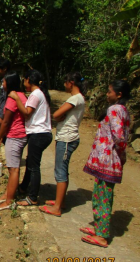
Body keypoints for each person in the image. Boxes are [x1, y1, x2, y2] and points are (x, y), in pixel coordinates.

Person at [80, 80, 130, 248]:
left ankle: (102, 235)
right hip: (109, 160)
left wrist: (117, 153)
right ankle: (99, 227)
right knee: (100, 194)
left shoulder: (114, 109)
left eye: (110, 92)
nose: (107, 94)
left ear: (119, 94)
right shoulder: (123, 110)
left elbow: (119, 137)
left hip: (107, 160)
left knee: (102, 196)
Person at [39, 72, 86, 217]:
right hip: (66, 137)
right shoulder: (78, 99)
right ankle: (61, 201)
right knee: (62, 169)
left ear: (71, 82)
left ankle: (57, 207)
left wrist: (58, 116)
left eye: (65, 82)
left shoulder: (75, 98)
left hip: (67, 138)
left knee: (60, 171)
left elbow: (56, 114)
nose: (64, 85)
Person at [8, 69, 52, 206]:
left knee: (33, 166)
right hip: (40, 134)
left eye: (24, 79)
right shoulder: (39, 93)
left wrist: (16, 98)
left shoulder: (35, 94)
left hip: (39, 134)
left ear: (28, 79)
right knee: (30, 163)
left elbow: (27, 113)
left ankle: (32, 197)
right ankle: (23, 187)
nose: (23, 82)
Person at [0, 72, 28, 211]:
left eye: (4, 82)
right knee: (12, 167)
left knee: (13, 169)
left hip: (15, 135)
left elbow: (6, 122)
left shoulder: (12, 98)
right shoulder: (21, 95)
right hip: (19, 135)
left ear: (10, 83)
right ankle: (7, 194)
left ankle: (9, 201)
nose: (2, 84)